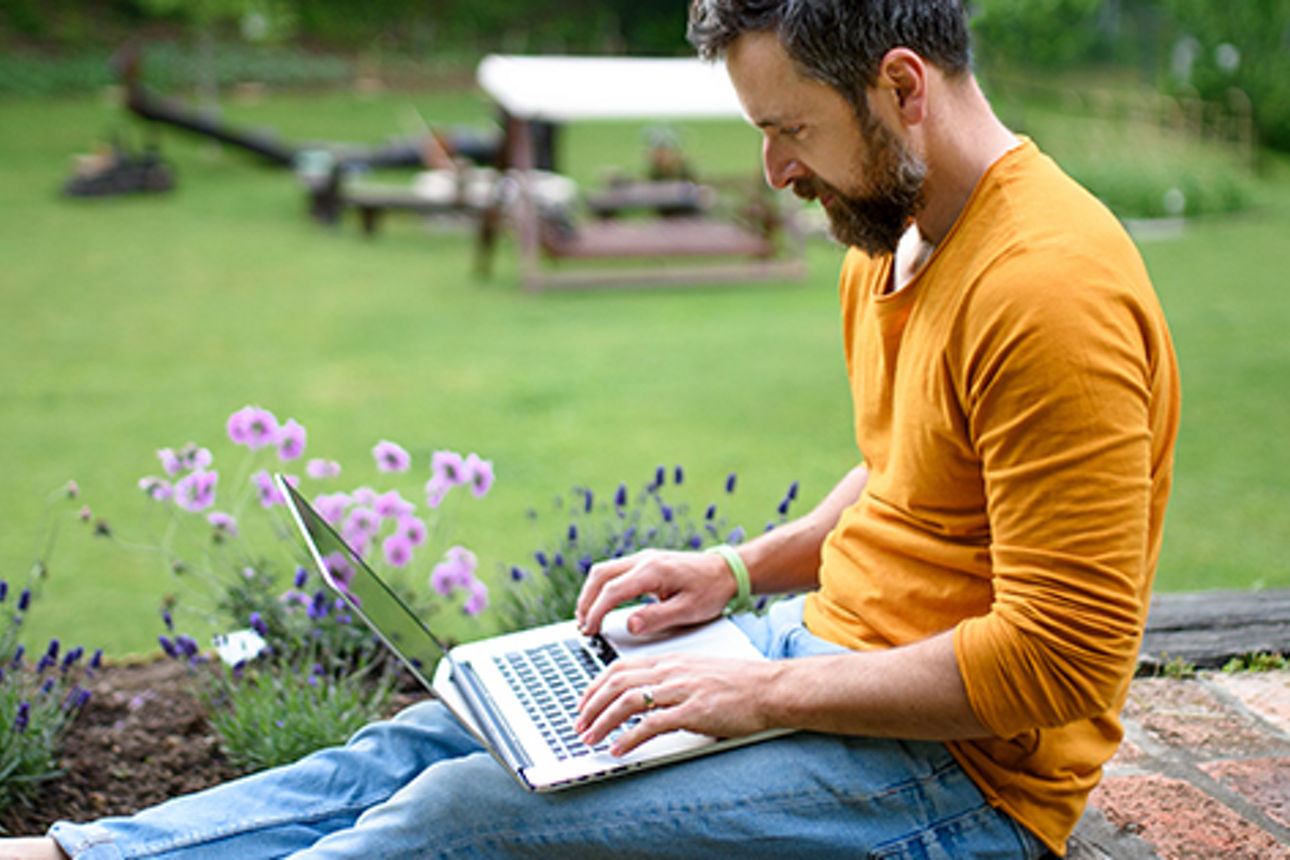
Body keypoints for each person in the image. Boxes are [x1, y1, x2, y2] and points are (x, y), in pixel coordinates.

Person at [5, 1, 1179, 857]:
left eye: (791, 131)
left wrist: (762, 698)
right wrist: (734, 570)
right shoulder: (899, 226)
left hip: (959, 784)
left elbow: (1060, 660)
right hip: (813, 655)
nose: (772, 170)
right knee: (437, 731)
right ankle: (80, 855)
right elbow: (904, 471)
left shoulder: (1047, 290)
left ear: (901, 88)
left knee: (460, 819)